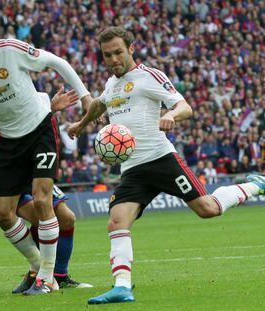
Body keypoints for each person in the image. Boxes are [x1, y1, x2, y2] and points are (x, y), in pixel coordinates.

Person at [67, 26, 265, 305]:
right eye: (107, 55)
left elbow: (185, 106)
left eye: (118, 53)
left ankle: (254, 185)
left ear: (131, 49)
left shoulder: (150, 76)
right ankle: (122, 286)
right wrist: (81, 123)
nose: (113, 59)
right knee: (116, 221)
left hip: (161, 160)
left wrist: (172, 115)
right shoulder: (112, 83)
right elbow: (100, 104)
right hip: (132, 169)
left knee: (207, 209)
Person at [0, 5, 92, 295]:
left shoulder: (10, 49)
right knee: (1, 213)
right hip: (9, 143)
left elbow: (57, 62)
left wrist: (86, 97)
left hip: (40, 129)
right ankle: (40, 268)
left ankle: (47, 279)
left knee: (42, 201)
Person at [0, 88, 92, 291]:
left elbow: (29, 121)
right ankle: (40, 273)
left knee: (67, 218)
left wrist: (50, 108)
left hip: (25, 160)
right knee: (39, 217)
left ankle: (59, 276)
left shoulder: (20, 85)